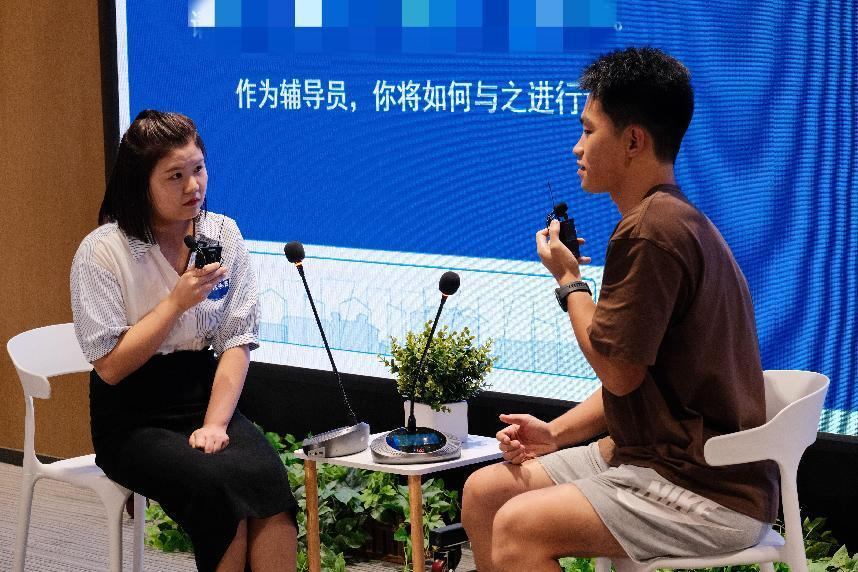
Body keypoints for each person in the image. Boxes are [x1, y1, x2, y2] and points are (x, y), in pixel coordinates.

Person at [461, 47, 778, 572]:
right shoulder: (668, 219)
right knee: (485, 493)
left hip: (705, 486)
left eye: (588, 131)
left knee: (518, 525)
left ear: (633, 141)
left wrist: (570, 283)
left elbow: (618, 373)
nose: (577, 146)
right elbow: (639, 380)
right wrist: (554, 434)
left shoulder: (651, 231)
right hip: (650, 456)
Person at [70, 110, 297, 572]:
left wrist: (215, 424)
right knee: (214, 491)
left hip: (203, 396)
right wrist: (175, 302)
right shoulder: (102, 251)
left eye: (198, 169)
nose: (194, 186)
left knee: (267, 480)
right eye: (175, 176)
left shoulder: (222, 233)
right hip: (131, 414)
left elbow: (236, 340)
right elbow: (110, 367)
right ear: (141, 184)